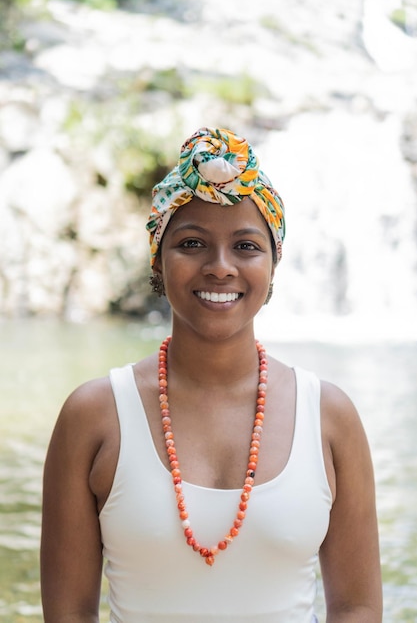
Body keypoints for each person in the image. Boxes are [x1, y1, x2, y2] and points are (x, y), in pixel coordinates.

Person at [40, 127, 382, 622]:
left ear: (273, 264)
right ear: (158, 259)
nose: (220, 268)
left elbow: (357, 607)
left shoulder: (329, 416)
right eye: (193, 243)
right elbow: (69, 614)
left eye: (246, 246)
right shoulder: (94, 416)